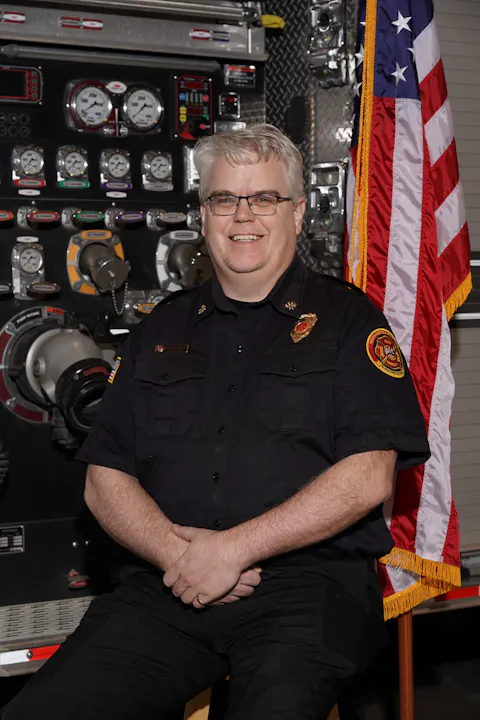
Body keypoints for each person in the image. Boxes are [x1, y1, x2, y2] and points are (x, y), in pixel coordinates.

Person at [2, 125, 430, 720]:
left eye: (263, 198)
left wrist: (233, 550)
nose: (242, 215)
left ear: (299, 213)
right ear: (203, 215)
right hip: (171, 581)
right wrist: (180, 558)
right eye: (224, 198)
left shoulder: (347, 322)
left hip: (306, 590)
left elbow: (368, 478)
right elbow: (105, 479)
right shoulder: (159, 331)